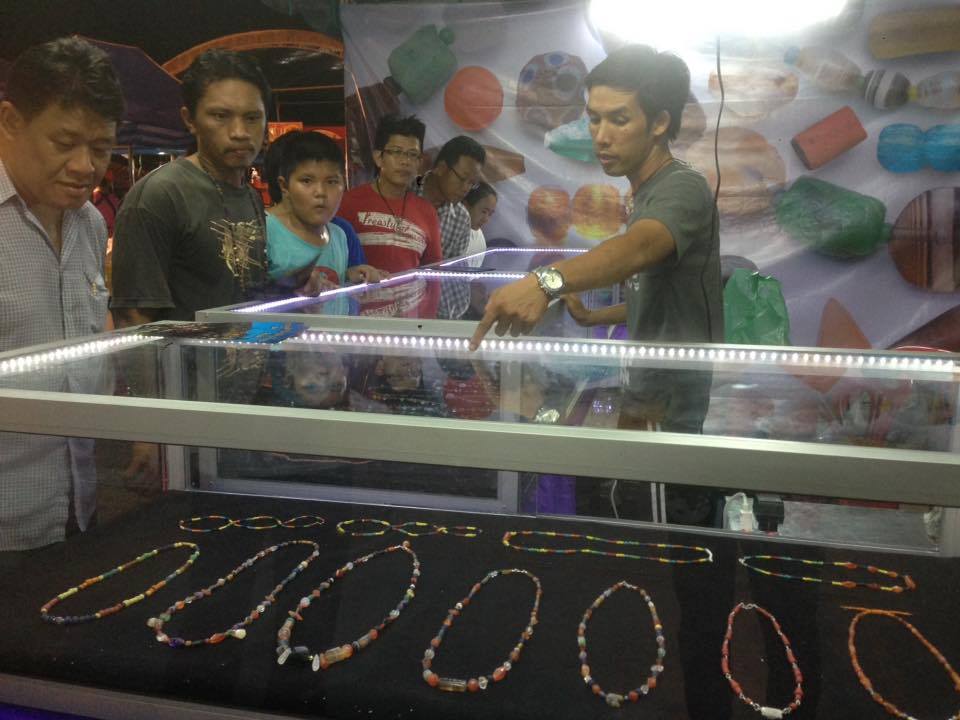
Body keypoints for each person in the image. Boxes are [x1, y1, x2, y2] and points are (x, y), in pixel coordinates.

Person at [470, 44, 722, 433]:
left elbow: (637, 249)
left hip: (672, 401)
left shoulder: (682, 186)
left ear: (659, 123)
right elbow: (655, 296)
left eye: (619, 120)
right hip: (646, 388)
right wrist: (593, 318)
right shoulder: (646, 191)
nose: (601, 137)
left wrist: (545, 281)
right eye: (594, 119)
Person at [0, 37, 124, 550]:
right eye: (64, 142)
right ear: (10, 121)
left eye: (101, 148)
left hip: (77, 510)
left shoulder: (90, 224)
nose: (84, 166)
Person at [111, 49, 272, 324]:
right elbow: (134, 319)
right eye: (220, 116)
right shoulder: (160, 195)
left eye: (252, 117)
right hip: (181, 354)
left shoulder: (250, 196)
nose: (239, 132)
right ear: (190, 120)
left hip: (246, 349)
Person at [262, 130, 385, 295]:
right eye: (307, 181)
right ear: (284, 186)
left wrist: (351, 277)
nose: (321, 192)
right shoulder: (262, 232)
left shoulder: (339, 235)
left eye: (332, 181)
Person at [338, 114, 441, 274]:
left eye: (412, 154)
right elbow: (334, 267)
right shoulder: (348, 204)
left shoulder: (427, 212)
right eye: (397, 152)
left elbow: (433, 274)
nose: (405, 161)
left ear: (419, 163)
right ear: (378, 158)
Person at [417, 135, 486, 260]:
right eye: (462, 178)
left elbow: (452, 270)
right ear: (441, 168)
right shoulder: (405, 190)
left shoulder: (461, 219)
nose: (466, 188)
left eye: (472, 183)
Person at [462, 181, 497, 261]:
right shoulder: (448, 226)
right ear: (466, 205)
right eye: (484, 211)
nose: (486, 220)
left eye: (490, 214)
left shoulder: (480, 240)